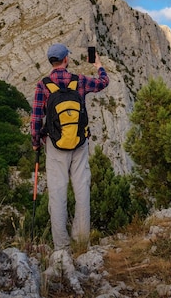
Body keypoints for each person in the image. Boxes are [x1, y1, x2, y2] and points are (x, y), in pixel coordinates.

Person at [30, 43, 109, 252]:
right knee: (82, 190)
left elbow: (36, 118)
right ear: (66, 59)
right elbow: (103, 83)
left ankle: (62, 247)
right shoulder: (79, 81)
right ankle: (82, 240)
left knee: (58, 193)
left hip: (55, 146)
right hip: (80, 143)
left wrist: (36, 142)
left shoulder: (43, 85)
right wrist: (98, 65)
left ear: (51, 61)